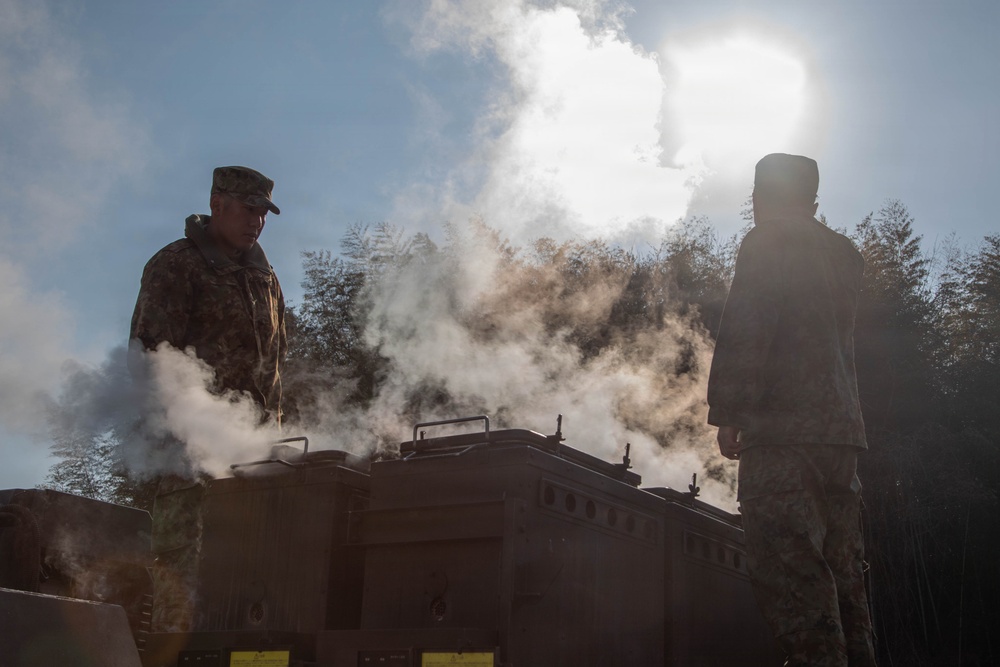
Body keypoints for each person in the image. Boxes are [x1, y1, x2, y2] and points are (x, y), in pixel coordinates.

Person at [707, 153, 877, 666]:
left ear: (760, 199)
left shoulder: (768, 240)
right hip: (841, 438)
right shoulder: (845, 252)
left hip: (783, 436)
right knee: (844, 581)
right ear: (814, 200)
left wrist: (729, 409)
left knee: (795, 580)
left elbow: (748, 326)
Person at [129, 165, 287, 631]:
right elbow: (150, 360)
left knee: (254, 588)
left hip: (257, 458)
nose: (257, 220)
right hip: (189, 459)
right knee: (185, 588)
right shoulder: (176, 264)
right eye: (248, 209)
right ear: (218, 205)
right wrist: (181, 436)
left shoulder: (265, 278)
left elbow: (275, 366)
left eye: (264, 212)